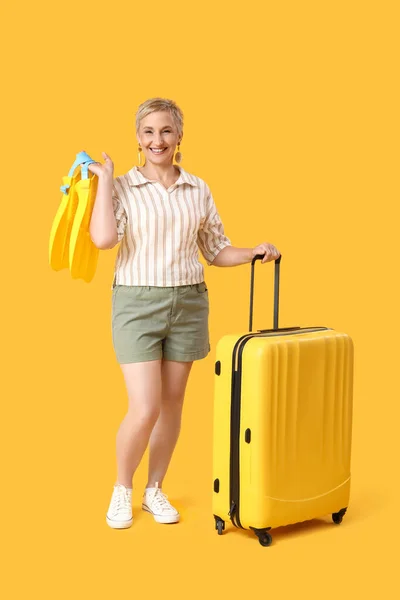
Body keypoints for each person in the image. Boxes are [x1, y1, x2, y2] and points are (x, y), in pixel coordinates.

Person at [88, 97, 280, 530]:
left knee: (172, 405)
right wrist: (103, 181)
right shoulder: (121, 187)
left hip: (189, 301)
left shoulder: (198, 188)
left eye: (167, 131)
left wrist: (253, 251)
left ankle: (155, 489)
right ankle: (123, 489)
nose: (158, 140)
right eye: (149, 132)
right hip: (137, 304)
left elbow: (215, 250)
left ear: (179, 137)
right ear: (138, 138)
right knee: (145, 407)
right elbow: (102, 240)